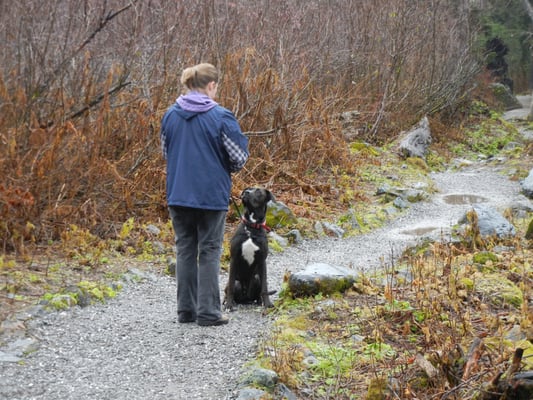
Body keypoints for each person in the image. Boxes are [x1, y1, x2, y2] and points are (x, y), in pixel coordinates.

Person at [160, 63, 249, 326]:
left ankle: (185, 311)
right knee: (209, 250)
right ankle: (209, 313)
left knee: (185, 249)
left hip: (178, 193)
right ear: (211, 86)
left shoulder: (170, 116)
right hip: (210, 195)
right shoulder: (221, 117)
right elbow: (239, 158)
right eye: (216, 87)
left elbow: (166, 153)